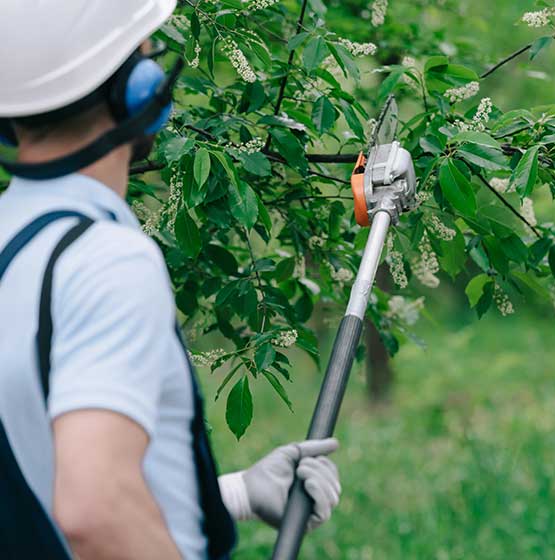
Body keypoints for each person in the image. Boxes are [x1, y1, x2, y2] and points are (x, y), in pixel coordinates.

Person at [0, 1, 341, 559]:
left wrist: (230, 495)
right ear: (136, 89)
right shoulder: (104, 260)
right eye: (143, 51)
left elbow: (28, 468)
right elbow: (94, 505)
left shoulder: (13, 243)